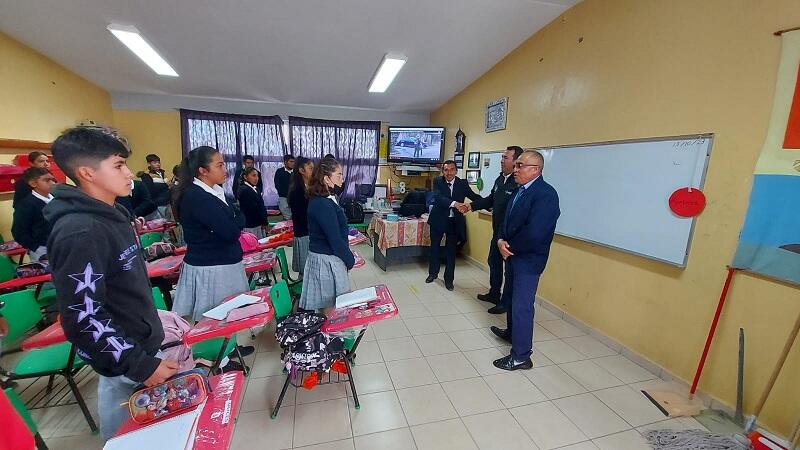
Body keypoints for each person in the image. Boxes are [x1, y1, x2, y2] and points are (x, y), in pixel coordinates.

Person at [43, 126, 178, 440]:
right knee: (129, 440)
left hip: (139, 348)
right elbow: (83, 317)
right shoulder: (81, 231)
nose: (129, 173)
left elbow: (114, 272)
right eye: (118, 165)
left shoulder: (111, 213)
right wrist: (139, 365)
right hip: (127, 363)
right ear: (87, 172)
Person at [489, 150, 560, 371]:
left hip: (527, 260)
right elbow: (505, 219)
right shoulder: (519, 189)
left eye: (520, 165)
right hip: (511, 255)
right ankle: (512, 333)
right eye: (516, 164)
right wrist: (500, 239)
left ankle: (521, 356)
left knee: (522, 306)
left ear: (535, 169)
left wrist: (508, 247)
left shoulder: (545, 194)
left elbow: (536, 233)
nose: (515, 169)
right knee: (510, 298)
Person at [171, 146, 250, 326]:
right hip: (211, 265)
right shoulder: (197, 196)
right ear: (203, 171)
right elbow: (231, 232)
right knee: (213, 317)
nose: (225, 170)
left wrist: (234, 219)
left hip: (223, 261)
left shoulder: (215, 191)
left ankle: (226, 351)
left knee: (227, 313)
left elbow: (239, 217)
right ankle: (216, 354)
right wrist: (235, 219)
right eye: (219, 165)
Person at [468, 146, 524, 313]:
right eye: (502, 157)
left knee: (510, 270)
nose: (501, 160)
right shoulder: (500, 179)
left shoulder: (518, 183)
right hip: (497, 233)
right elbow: (490, 200)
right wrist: (470, 206)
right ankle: (494, 294)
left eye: (506, 158)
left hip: (510, 236)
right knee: (494, 262)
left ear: (515, 162)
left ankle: (505, 303)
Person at [299, 157, 354, 311]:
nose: (342, 179)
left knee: (334, 308)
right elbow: (335, 239)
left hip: (329, 258)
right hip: (326, 261)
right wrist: (349, 260)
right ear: (326, 179)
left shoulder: (327, 199)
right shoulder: (322, 204)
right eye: (339, 175)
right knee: (330, 310)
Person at [426, 160, 481, 291]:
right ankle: (433, 274)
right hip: (438, 220)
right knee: (434, 248)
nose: (449, 173)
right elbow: (439, 198)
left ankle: (449, 280)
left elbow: (473, 196)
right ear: (443, 171)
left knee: (451, 252)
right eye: (446, 170)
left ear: (456, 171)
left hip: (454, 222)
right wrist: (455, 204)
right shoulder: (438, 181)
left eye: (452, 170)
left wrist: (487, 203)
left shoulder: (462, 184)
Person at [11, 167, 56, 262]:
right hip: (42, 249)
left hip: (63, 244)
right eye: (47, 180)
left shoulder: (58, 199)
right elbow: (18, 232)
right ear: (33, 183)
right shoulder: (26, 205)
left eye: (53, 180)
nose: (52, 183)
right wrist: (35, 247)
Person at [287, 157, 313, 275]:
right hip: (304, 234)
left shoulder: (310, 188)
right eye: (310, 168)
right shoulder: (297, 191)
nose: (314, 171)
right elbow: (302, 217)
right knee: (306, 270)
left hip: (310, 233)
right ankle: (302, 292)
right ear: (301, 171)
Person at [237, 167, 269, 239]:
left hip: (258, 223)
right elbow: (253, 209)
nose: (256, 178)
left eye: (257, 176)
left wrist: (264, 221)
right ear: (245, 177)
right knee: (253, 245)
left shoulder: (255, 188)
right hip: (251, 224)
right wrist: (264, 222)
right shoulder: (244, 190)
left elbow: (261, 206)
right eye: (253, 175)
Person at [139, 154, 170, 218]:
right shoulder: (146, 175)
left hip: (167, 202)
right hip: (157, 204)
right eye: (155, 163)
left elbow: (169, 185)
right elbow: (150, 190)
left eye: (159, 162)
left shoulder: (162, 173)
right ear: (149, 164)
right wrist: (164, 186)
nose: (158, 164)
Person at [274, 154, 295, 219]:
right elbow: (277, 185)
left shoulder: (296, 172)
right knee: (287, 218)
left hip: (294, 198)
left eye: (294, 162)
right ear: (285, 162)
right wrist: (287, 194)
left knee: (294, 217)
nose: (293, 163)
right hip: (284, 198)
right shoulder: (279, 171)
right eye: (291, 161)